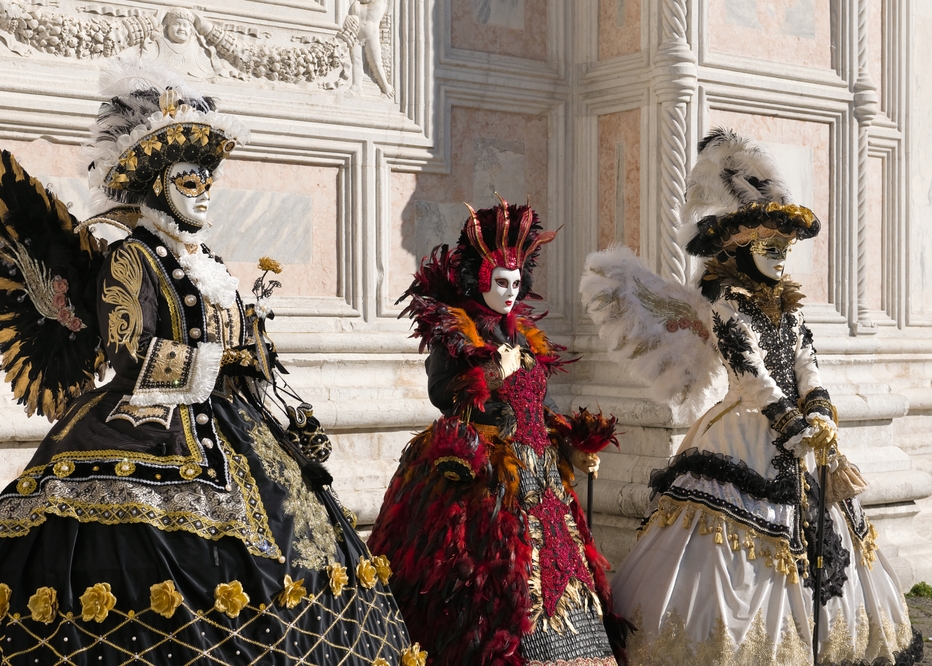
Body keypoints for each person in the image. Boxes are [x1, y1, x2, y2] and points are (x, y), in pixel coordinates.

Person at [0, 61, 421, 665]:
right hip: (148, 425)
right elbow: (131, 356)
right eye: (190, 182)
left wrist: (255, 352)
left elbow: (237, 335)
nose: (205, 192)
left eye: (208, 181)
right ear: (158, 183)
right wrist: (220, 357)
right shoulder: (129, 259)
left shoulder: (206, 259)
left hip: (235, 425)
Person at [581, 129, 924, 665]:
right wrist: (787, 418)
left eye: (785, 250)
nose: (781, 258)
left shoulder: (790, 306)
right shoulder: (725, 305)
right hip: (750, 427)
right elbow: (749, 372)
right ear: (741, 248)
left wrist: (818, 406)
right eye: (770, 248)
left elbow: (806, 362)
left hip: (805, 433)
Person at [368, 198, 629, 666]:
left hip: (541, 474)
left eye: (516, 283)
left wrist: (571, 441)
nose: (510, 293)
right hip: (482, 479)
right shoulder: (457, 327)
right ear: (481, 279)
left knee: (562, 571)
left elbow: (535, 405)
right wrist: (491, 371)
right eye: (500, 283)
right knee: (488, 587)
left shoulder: (527, 334)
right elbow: (443, 393)